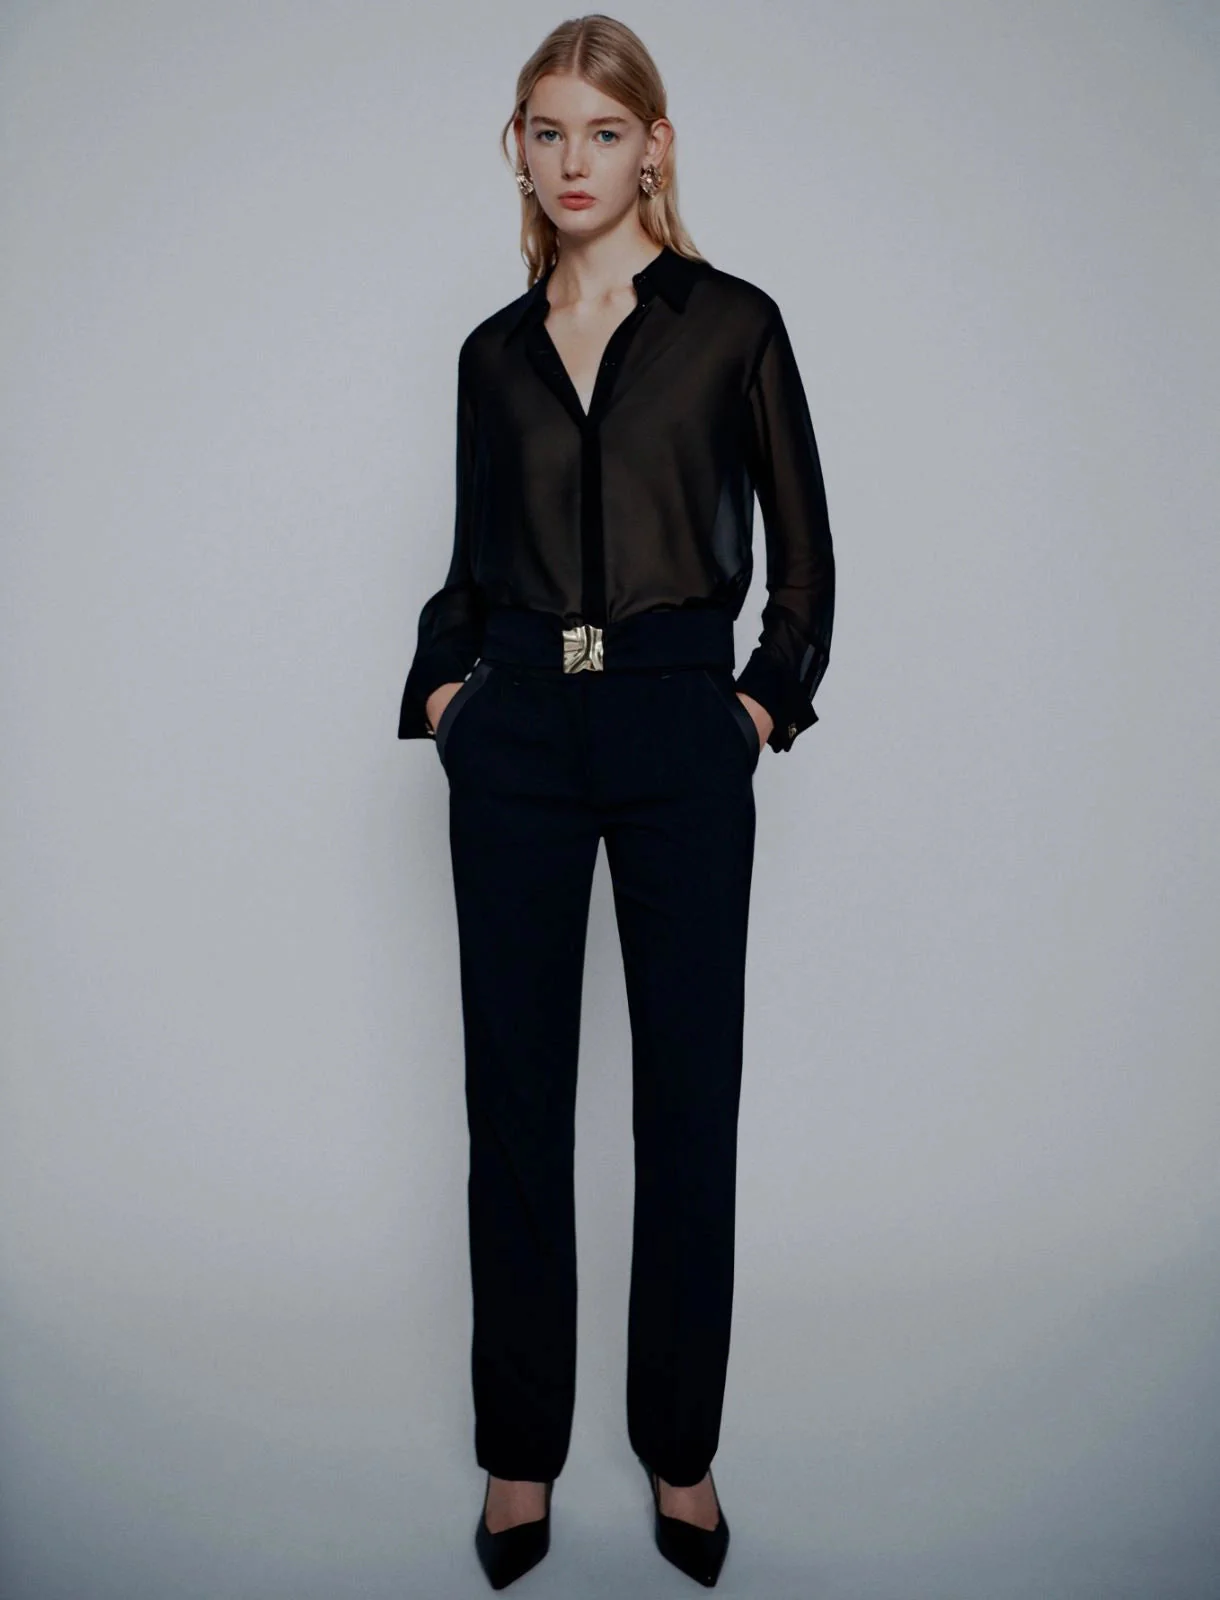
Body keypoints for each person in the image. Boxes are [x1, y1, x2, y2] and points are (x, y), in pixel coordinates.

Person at [397, 14, 834, 1590]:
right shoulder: (492, 356)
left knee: (686, 1104)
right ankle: (519, 1450)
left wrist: (755, 708)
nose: (571, 159)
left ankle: (680, 1449)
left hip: (675, 726)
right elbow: (466, 564)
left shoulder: (734, 326)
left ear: (654, 146)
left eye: (601, 129)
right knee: (513, 1104)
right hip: (518, 726)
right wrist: (447, 700)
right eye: (545, 129)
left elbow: (805, 558)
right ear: (514, 149)